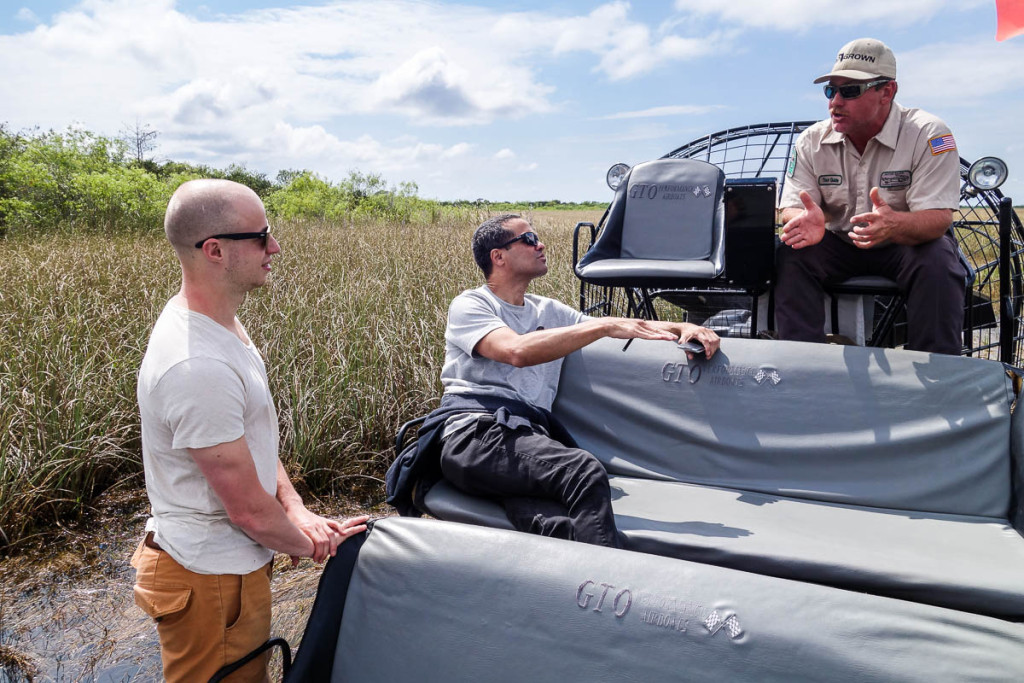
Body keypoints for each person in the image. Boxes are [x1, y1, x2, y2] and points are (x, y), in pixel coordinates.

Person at [131, 179, 368, 682]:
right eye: (260, 236)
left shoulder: (222, 325)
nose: (275, 247)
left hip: (229, 567)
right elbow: (245, 510)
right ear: (214, 250)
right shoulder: (197, 364)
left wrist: (296, 507)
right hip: (208, 580)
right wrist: (320, 546)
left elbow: (251, 439)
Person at [387, 214, 719, 548]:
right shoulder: (472, 304)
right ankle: (608, 583)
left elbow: (620, 326)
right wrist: (600, 326)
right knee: (583, 470)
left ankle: (563, 592)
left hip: (523, 444)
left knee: (556, 524)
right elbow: (515, 350)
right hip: (475, 436)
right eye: (529, 239)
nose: (541, 244)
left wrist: (680, 329)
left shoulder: (548, 311)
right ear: (498, 257)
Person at [775, 37, 964, 355]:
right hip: (838, 243)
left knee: (938, 260)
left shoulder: (929, 133)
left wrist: (896, 224)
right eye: (830, 90)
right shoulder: (811, 141)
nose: (835, 102)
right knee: (791, 253)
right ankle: (801, 366)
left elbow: (938, 218)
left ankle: (936, 375)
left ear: (887, 92)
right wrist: (803, 219)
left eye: (849, 91)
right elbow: (793, 206)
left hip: (905, 245)